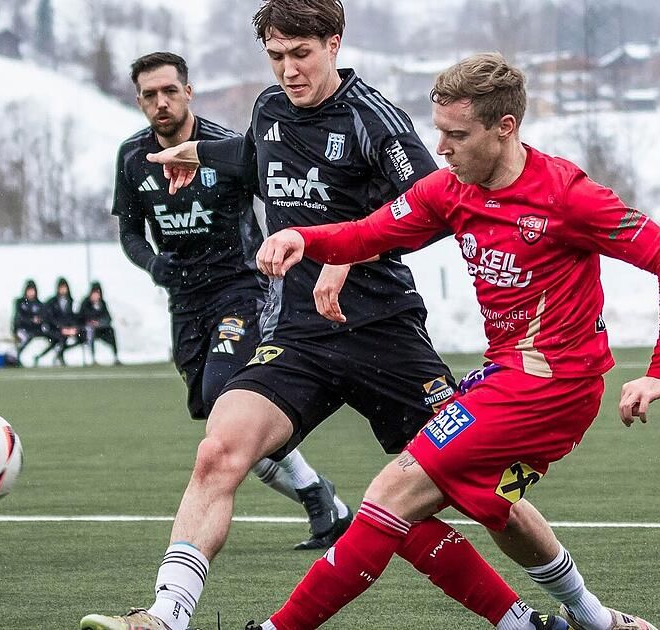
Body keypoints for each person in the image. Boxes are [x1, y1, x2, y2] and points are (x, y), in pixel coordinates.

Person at [80, 9, 566, 630]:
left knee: (486, 493)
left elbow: (436, 203)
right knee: (219, 452)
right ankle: (165, 616)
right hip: (299, 336)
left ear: (333, 44)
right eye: (276, 55)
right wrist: (197, 152)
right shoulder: (268, 108)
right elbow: (258, 158)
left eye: (302, 53)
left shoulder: (372, 118)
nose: (289, 68)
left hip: (383, 332)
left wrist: (350, 251)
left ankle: (582, 612)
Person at [253, 52, 660, 630]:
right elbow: (369, 233)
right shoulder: (451, 190)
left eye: (456, 135)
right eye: (439, 131)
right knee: (451, 510)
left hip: (549, 387)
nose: (441, 148)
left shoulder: (568, 197)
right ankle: (585, 620)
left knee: (392, 492)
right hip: (506, 375)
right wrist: (303, 237)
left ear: (504, 128)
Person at [105, 51, 350, 553]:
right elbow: (130, 232)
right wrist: (154, 265)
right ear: (139, 102)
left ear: (188, 92)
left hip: (241, 290)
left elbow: (280, 198)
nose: (161, 102)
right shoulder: (132, 158)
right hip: (185, 302)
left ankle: (317, 498)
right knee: (218, 419)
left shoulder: (224, 147)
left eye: (170, 90)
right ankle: (320, 497)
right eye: (150, 95)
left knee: (226, 396)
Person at [38, 277, 82, 366]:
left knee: (81, 336)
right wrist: (62, 328)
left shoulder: (72, 301)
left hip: (67, 328)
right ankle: (50, 356)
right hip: (54, 329)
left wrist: (73, 328)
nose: (63, 290)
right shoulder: (52, 302)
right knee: (59, 338)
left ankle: (60, 353)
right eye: (61, 287)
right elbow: (50, 318)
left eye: (64, 287)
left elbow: (74, 316)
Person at [79, 281, 121, 365]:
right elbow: (82, 316)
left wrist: (100, 322)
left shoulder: (102, 303)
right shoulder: (86, 303)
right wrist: (91, 321)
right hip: (88, 329)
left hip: (101, 329)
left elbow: (108, 317)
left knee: (111, 331)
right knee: (90, 332)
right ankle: (92, 357)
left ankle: (115, 356)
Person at [12, 279, 46, 362]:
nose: (31, 293)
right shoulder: (20, 302)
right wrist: (31, 320)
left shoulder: (39, 304)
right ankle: (16, 356)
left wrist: (39, 321)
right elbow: (18, 317)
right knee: (24, 336)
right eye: (29, 290)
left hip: (34, 330)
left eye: (32, 290)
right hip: (22, 328)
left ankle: (37, 357)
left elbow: (43, 317)